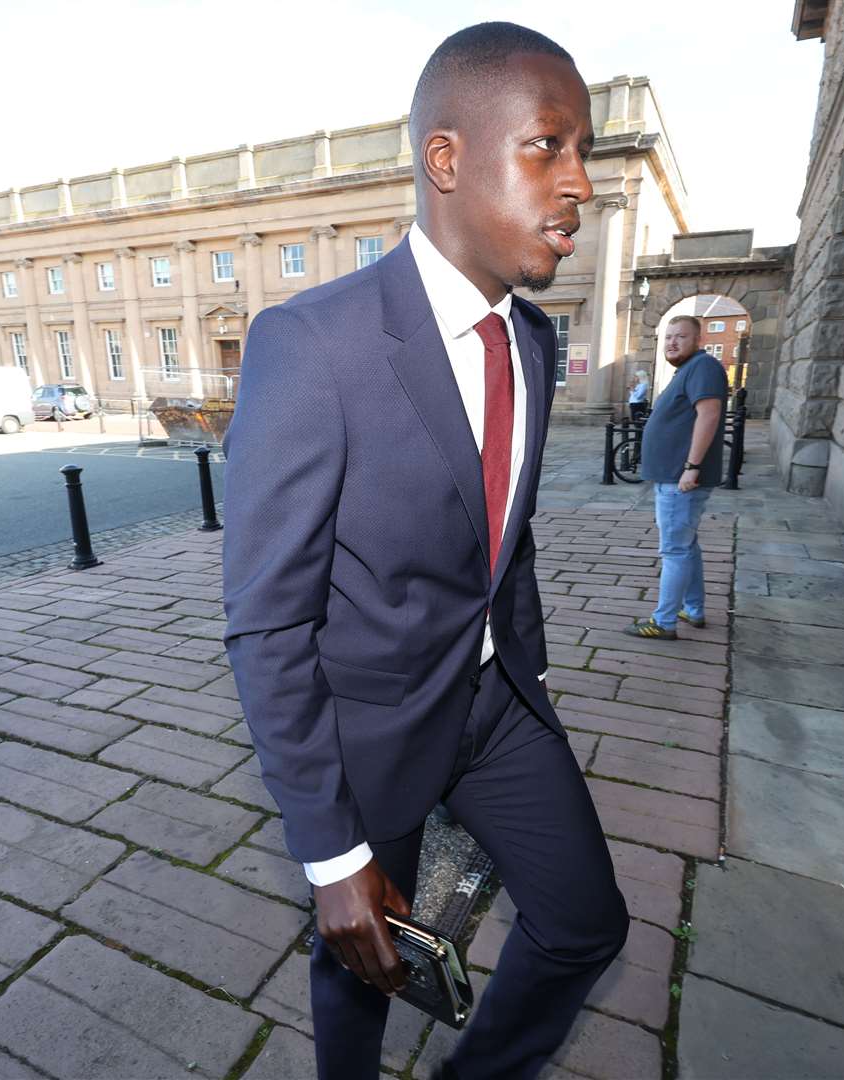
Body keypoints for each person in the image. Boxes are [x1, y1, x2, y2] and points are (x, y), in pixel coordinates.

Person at [223, 23, 627, 1080]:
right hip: (368, 734)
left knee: (586, 924)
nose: (579, 181)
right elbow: (267, 622)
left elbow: (507, 539)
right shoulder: (312, 346)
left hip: (496, 708)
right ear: (445, 159)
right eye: (549, 145)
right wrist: (331, 850)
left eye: (583, 150)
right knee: (361, 965)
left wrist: (523, 671)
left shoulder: (533, 342)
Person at [626, 315, 727, 639]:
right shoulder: (688, 370)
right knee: (686, 545)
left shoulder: (703, 367)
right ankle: (693, 609)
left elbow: (709, 414)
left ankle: (664, 621)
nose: (672, 342)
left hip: (680, 478)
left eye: (680, 336)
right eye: (668, 337)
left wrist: (692, 466)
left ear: (697, 340)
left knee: (675, 550)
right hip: (674, 476)